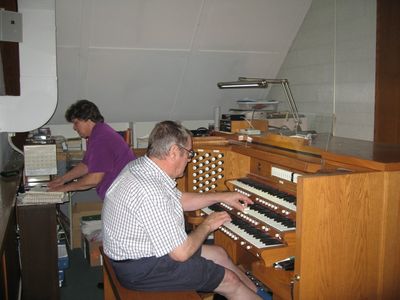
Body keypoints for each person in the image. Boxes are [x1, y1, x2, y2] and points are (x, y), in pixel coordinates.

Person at [102, 120, 270, 300]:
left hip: (140, 253)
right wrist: (207, 225)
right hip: (141, 269)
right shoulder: (151, 190)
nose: (190, 159)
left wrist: (222, 196)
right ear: (174, 151)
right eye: (189, 153)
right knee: (229, 280)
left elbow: (178, 199)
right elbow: (181, 253)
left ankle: (256, 293)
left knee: (219, 254)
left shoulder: (141, 167)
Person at [48, 99, 136, 200]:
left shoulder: (101, 138)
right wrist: (62, 180)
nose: (74, 128)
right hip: (121, 194)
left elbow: (94, 179)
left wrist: (64, 188)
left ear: (88, 119)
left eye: (76, 123)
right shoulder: (98, 133)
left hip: (124, 196)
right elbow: (86, 165)